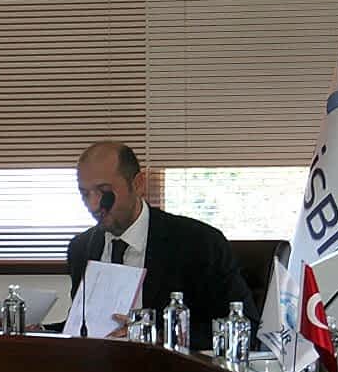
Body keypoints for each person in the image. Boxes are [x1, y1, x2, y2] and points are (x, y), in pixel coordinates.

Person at [66, 141, 258, 348]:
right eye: (85, 193)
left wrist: (159, 337)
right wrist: (43, 331)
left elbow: (244, 328)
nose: (93, 205)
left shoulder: (199, 243)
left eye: (104, 191)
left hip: (170, 365)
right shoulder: (81, 248)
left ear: (138, 184)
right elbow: (83, 327)